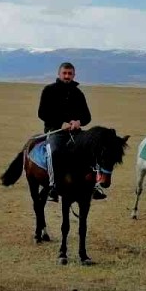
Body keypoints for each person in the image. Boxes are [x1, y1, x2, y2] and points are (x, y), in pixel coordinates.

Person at [36, 62, 101, 201]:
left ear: (74, 75)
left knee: (92, 148)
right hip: (55, 131)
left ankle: (95, 185)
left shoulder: (78, 93)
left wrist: (79, 122)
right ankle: (52, 187)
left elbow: (87, 116)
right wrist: (60, 123)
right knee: (54, 151)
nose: (67, 76)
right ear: (59, 74)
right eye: (64, 73)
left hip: (75, 132)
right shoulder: (48, 90)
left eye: (69, 73)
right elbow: (42, 113)